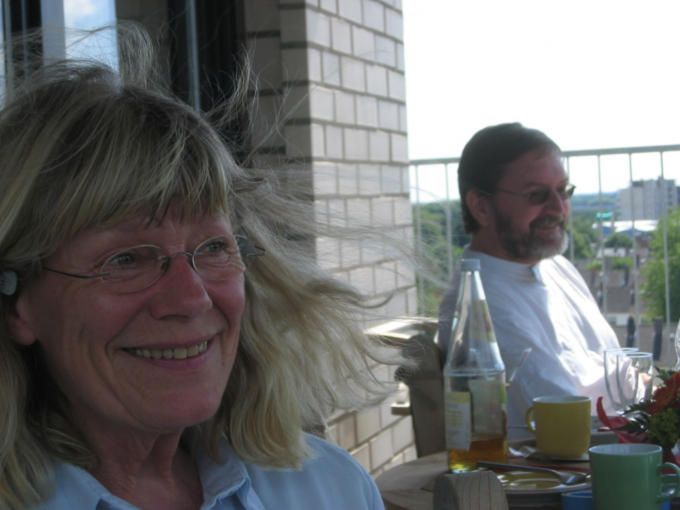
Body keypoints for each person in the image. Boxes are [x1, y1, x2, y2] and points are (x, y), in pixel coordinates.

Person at [0, 38, 395, 510]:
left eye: (213, 248)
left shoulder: (328, 488)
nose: (192, 299)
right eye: (125, 260)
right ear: (18, 304)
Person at [437, 122, 621, 432]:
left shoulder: (556, 267)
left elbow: (622, 373)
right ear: (481, 207)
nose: (558, 208)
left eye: (563, 190)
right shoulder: (479, 304)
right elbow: (563, 426)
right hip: (580, 459)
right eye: (536, 195)